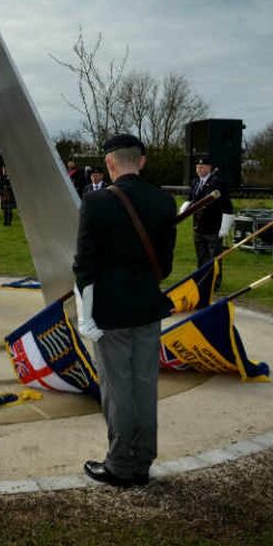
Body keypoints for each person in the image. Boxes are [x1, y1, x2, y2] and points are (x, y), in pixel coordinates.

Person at [74, 134, 176, 488]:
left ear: (110, 164)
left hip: (110, 312)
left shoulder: (96, 202)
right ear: (142, 161)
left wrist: (85, 315)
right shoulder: (164, 201)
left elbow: (84, 266)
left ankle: (120, 463)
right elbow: (165, 265)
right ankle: (143, 459)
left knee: (117, 390)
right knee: (145, 386)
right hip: (147, 305)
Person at [183, 154, 234, 288]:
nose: (199, 169)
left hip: (213, 226)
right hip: (198, 225)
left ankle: (214, 283)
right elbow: (191, 199)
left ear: (209, 168)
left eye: (202, 167)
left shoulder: (217, 183)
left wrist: (224, 227)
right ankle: (202, 280)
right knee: (201, 256)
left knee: (214, 257)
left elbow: (227, 206)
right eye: (197, 167)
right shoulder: (195, 182)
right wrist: (183, 210)